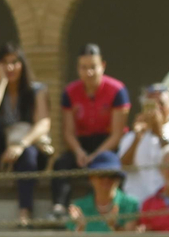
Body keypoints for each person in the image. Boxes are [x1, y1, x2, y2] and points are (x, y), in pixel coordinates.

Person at [0, 43, 47, 224]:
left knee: (28, 155)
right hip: (1, 152)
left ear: (23, 64)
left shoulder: (37, 91)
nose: (10, 67)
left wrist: (21, 144)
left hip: (29, 148)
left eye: (15, 62)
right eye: (5, 63)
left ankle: (24, 212)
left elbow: (44, 123)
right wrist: (2, 82)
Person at [52, 43, 128, 217]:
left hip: (108, 142)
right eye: (83, 68)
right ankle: (59, 206)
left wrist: (97, 155)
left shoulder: (117, 90)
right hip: (83, 142)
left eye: (93, 67)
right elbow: (68, 132)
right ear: (78, 69)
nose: (89, 73)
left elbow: (117, 133)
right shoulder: (70, 92)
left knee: (111, 164)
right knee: (61, 163)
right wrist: (79, 151)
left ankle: (118, 210)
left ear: (103, 66)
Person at [60, 149, 136, 237]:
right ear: (91, 177)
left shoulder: (129, 204)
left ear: (118, 179)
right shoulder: (79, 205)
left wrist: (115, 226)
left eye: (112, 176)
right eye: (101, 175)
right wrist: (80, 228)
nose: (106, 180)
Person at [118, 85, 169, 203]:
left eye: (161, 104)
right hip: (137, 203)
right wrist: (137, 138)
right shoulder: (130, 137)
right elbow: (123, 168)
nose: (156, 109)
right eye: (151, 105)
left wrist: (159, 133)